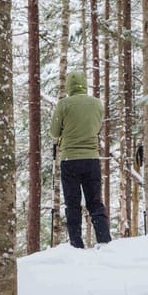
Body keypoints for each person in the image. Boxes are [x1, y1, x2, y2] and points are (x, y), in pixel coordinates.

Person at [51, 71, 112, 248]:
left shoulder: (64, 104)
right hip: (92, 159)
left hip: (70, 159)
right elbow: (97, 126)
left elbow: (54, 132)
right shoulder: (96, 104)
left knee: (73, 203)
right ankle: (104, 240)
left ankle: (76, 244)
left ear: (69, 85)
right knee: (95, 202)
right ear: (85, 84)